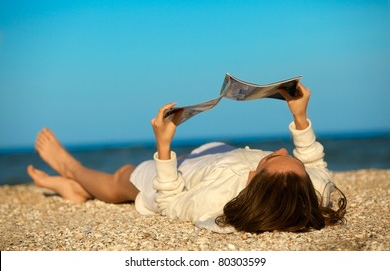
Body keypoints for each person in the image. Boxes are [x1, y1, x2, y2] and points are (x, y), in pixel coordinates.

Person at [27, 82, 346, 233]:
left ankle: (71, 169)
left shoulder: (213, 201)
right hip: (217, 156)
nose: (278, 151)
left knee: (120, 180)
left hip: (178, 177)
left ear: (252, 179)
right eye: (289, 158)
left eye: (268, 160)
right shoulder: (315, 187)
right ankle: (77, 190)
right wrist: (300, 116)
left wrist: (163, 146)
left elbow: (169, 202)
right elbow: (318, 164)